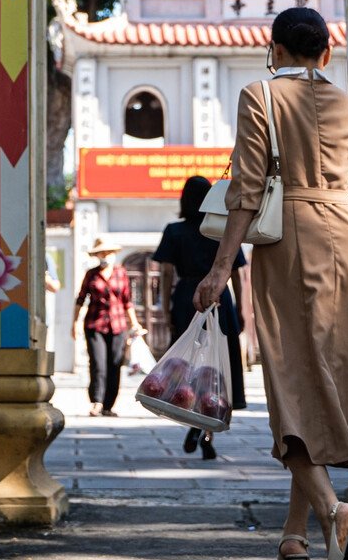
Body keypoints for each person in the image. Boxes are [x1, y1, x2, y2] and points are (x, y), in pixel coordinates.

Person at [195, 7, 348, 560]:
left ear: (275, 51)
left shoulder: (261, 96)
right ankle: (294, 536)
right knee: (324, 382)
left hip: (289, 244)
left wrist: (220, 268)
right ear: (326, 55)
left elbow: (246, 191)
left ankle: (336, 513)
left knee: (292, 385)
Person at [152, 175, 249, 460]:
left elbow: (167, 273)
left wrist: (166, 308)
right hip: (221, 300)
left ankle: (193, 418)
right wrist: (242, 309)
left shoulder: (174, 231)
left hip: (186, 298)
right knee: (219, 367)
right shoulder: (223, 231)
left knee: (188, 366)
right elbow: (237, 274)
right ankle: (207, 428)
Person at [73, 236, 140, 417]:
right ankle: (96, 401)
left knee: (115, 364)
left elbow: (127, 301)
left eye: (109, 252)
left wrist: (134, 324)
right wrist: (75, 322)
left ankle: (108, 405)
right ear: (97, 255)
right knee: (97, 364)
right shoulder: (91, 274)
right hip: (95, 324)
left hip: (118, 326)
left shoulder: (121, 273)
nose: (106, 256)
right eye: (102, 253)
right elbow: (80, 299)